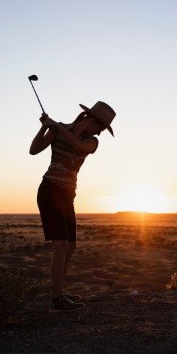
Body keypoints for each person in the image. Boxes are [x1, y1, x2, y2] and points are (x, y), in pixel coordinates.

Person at [29, 101, 116, 312]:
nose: (100, 132)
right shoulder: (60, 129)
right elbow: (33, 150)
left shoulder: (91, 141)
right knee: (60, 244)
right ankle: (57, 299)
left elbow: (77, 146)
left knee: (71, 246)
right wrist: (44, 127)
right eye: (101, 127)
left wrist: (56, 126)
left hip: (68, 195)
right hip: (50, 189)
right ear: (91, 119)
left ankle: (58, 290)